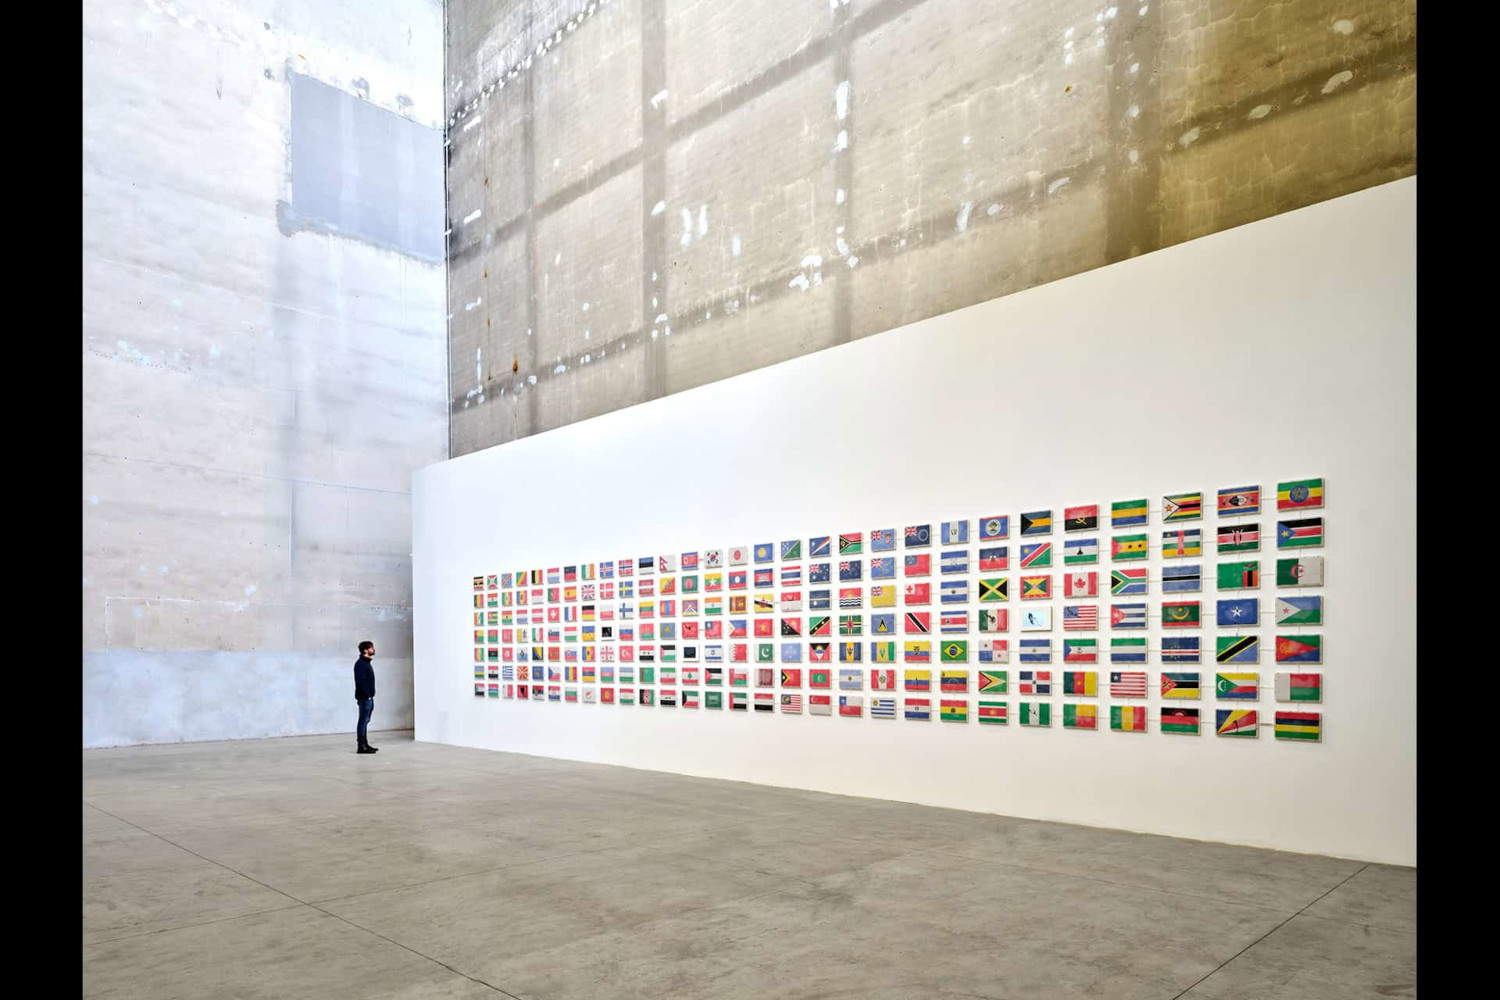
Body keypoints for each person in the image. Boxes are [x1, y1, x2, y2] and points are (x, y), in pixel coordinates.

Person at [354, 641, 379, 754]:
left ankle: (365, 744)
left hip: (367, 698)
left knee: (365, 721)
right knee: (363, 722)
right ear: (365, 650)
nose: (373, 650)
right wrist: (368, 696)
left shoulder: (366, 663)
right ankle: (361, 746)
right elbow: (361, 682)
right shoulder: (361, 664)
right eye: (371, 648)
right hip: (365, 698)